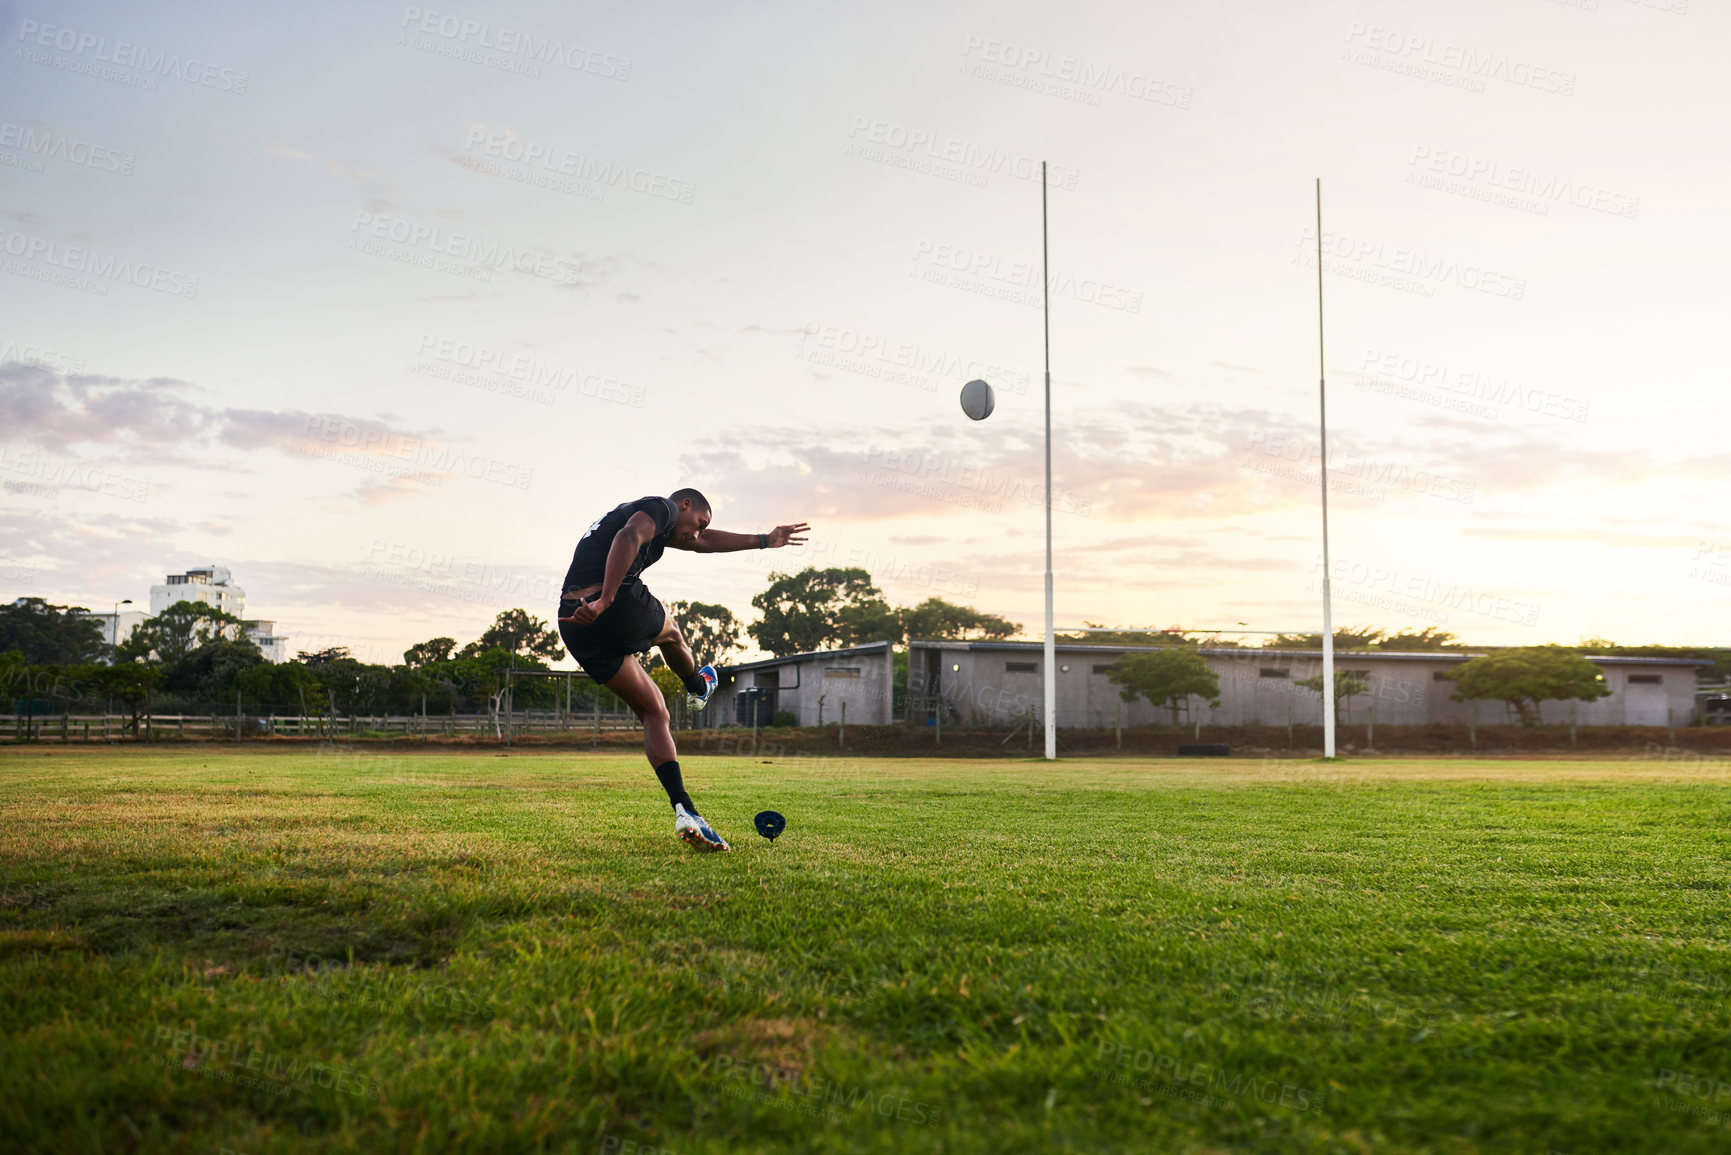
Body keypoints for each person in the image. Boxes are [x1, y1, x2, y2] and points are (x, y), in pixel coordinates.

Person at [556, 489, 808, 851]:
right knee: (672, 633)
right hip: (609, 604)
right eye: (699, 523)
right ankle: (698, 684)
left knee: (655, 710)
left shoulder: (660, 526)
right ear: (684, 505)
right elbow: (629, 536)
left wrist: (764, 541)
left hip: (575, 624)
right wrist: (607, 599)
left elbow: (702, 543)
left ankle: (686, 811)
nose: (695, 533)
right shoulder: (661, 507)